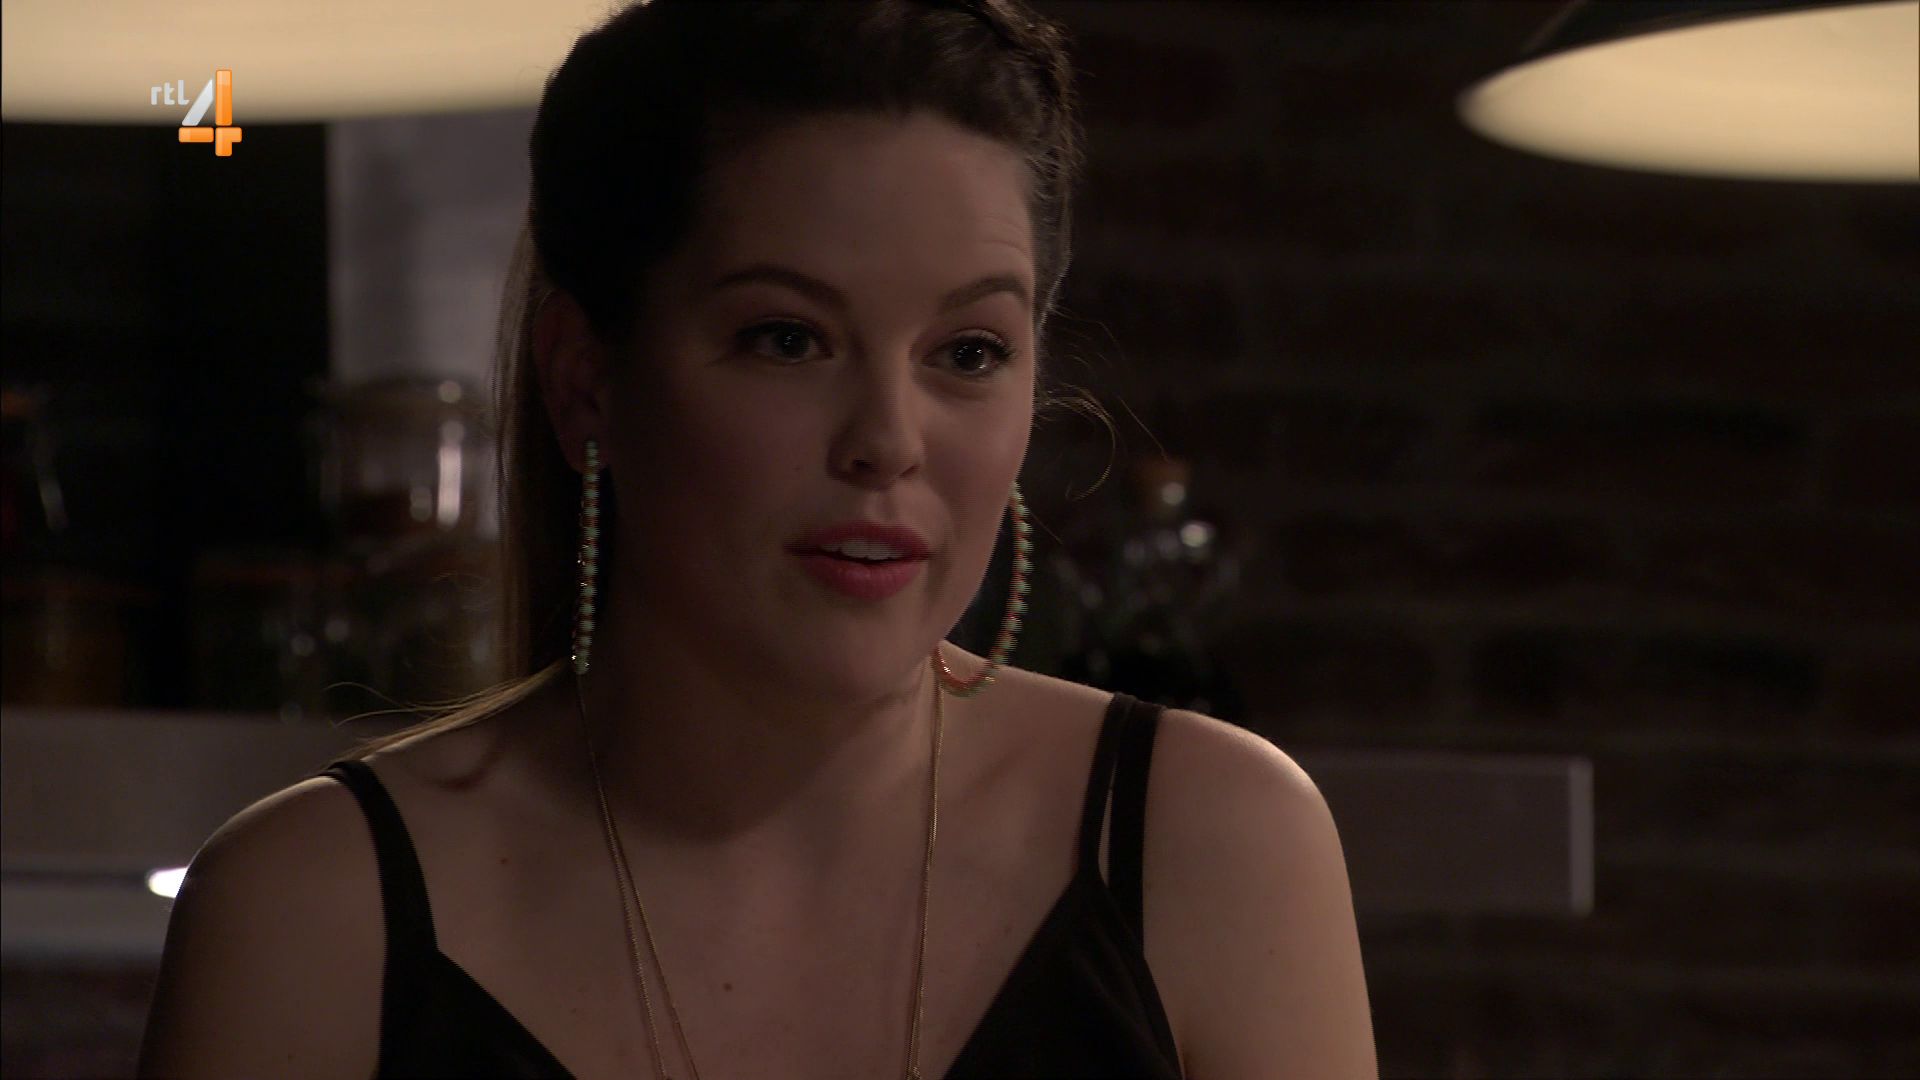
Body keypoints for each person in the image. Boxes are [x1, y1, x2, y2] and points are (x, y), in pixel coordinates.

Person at [136, 1, 1376, 1077]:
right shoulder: (313, 916)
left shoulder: (1212, 845)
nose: (888, 439)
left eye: (967, 352)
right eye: (788, 338)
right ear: (584, 381)